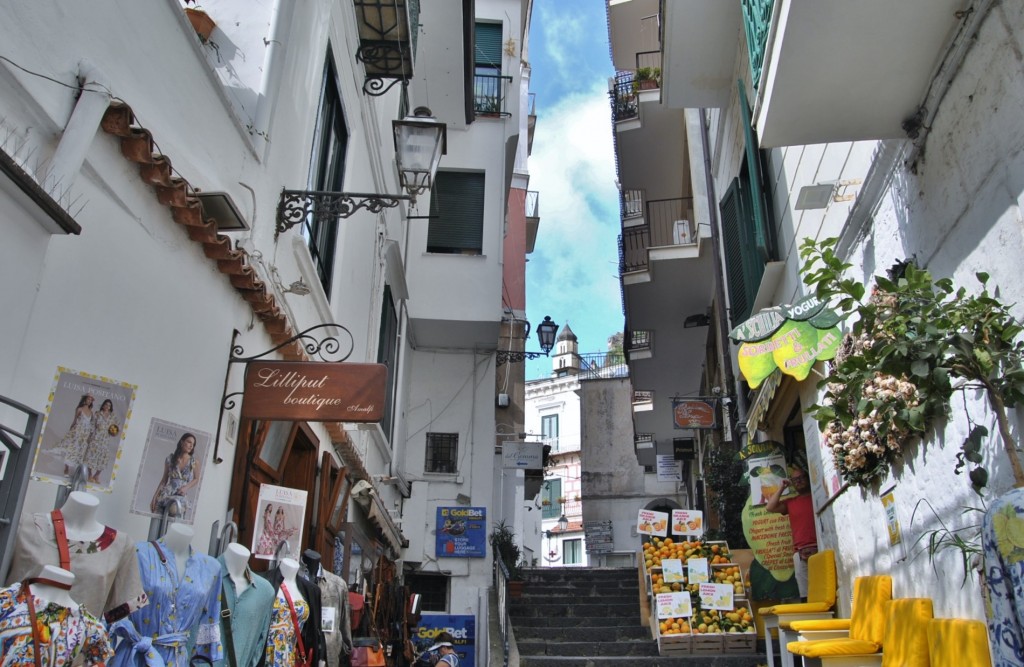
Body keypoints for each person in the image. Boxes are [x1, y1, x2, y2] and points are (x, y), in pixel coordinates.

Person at [765, 465, 818, 599]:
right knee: (805, 593)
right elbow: (770, 507)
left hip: (821, 547)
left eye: (801, 478)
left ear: (807, 478)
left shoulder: (817, 496)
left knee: (823, 586)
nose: (799, 481)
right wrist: (782, 487)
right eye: (795, 480)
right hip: (800, 552)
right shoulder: (791, 502)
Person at [150, 432, 200, 517]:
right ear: (182, 442)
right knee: (156, 522)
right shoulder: (170, 459)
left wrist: (186, 487)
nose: (191, 446)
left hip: (180, 496)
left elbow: (196, 478)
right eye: (189, 442)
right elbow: (164, 480)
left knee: (173, 523)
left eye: (193, 444)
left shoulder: (194, 462)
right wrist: (155, 497)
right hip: (165, 495)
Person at [55, 393, 94, 477]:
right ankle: (66, 468)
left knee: (80, 451)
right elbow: (75, 420)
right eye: (88, 399)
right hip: (77, 431)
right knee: (71, 449)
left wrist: (89, 436)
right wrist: (70, 431)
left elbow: (90, 425)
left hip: (84, 434)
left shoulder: (91, 412)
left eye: (91, 400)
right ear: (84, 400)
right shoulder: (79, 409)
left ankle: (77, 471)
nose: (89, 401)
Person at [84, 398, 119, 483]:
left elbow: (115, 427)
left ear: (111, 407)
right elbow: (92, 426)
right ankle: (90, 475)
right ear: (103, 405)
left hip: (105, 440)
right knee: (90, 456)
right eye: (106, 404)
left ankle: (96, 475)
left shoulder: (112, 417)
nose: (107, 406)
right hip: (96, 438)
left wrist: (114, 432)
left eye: (109, 405)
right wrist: (89, 436)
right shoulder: (97, 414)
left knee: (104, 458)